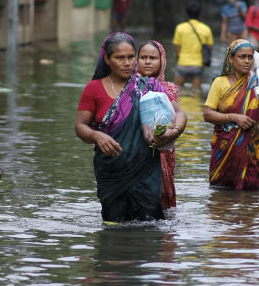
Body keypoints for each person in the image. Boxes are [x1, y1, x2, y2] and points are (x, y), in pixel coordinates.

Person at [75, 32, 187, 223]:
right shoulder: (94, 89)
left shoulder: (149, 85)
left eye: (131, 57)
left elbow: (180, 113)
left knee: (150, 229)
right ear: (107, 59)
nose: (127, 63)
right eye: (120, 58)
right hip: (111, 173)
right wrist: (96, 136)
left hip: (146, 171)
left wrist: (172, 132)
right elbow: (80, 126)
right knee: (112, 229)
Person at [202, 39, 259, 190]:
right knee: (220, 195)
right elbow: (207, 115)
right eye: (242, 57)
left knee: (251, 197)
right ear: (231, 58)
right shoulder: (219, 82)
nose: (247, 61)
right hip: (224, 148)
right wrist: (234, 117)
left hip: (251, 148)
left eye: (250, 57)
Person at [137, 40, 181, 209]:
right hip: (137, 147)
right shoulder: (129, 86)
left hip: (163, 145)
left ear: (162, 60)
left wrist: (170, 132)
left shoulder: (170, 89)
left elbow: (175, 116)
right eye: (143, 57)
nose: (148, 61)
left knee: (161, 198)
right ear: (137, 60)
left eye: (153, 58)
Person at [172, 1, 214, 91]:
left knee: (176, 92)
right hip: (197, 65)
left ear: (187, 13)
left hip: (183, 64)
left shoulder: (180, 28)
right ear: (199, 14)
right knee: (196, 93)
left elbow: (177, 49)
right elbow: (210, 48)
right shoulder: (206, 29)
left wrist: (180, 59)